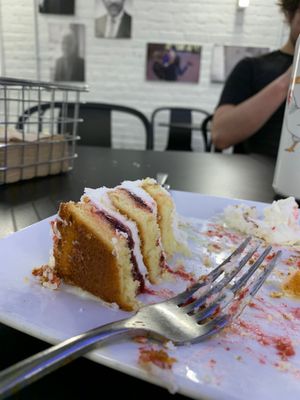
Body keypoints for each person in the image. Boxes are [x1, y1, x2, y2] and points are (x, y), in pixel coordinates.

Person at [211, 0, 300, 158]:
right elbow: (220, 135)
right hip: (254, 177)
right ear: (289, 15)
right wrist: (288, 80)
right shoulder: (251, 67)